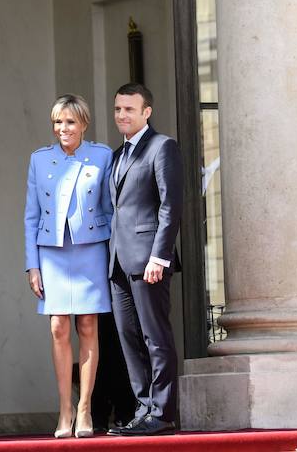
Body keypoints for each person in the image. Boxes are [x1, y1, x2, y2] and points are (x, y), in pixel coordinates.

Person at [24, 94, 113, 439]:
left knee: (88, 325)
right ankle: (64, 409)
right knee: (59, 327)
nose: (63, 128)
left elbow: (111, 208)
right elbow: (31, 215)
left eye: (71, 121)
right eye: (58, 122)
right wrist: (33, 265)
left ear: (84, 124)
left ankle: (85, 408)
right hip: (52, 252)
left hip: (91, 250)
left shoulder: (102, 155)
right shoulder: (39, 160)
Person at [107, 83, 183, 437]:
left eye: (129, 110)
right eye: (119, 109)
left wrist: (160, 257)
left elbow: (171, 207)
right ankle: (143, 408)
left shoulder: (162, 146)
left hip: (148, 260)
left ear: (146, 112)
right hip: (118, 263)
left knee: (156, 337)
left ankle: (163, 411)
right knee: (128, 337)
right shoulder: (115, 155)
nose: (122, 115)